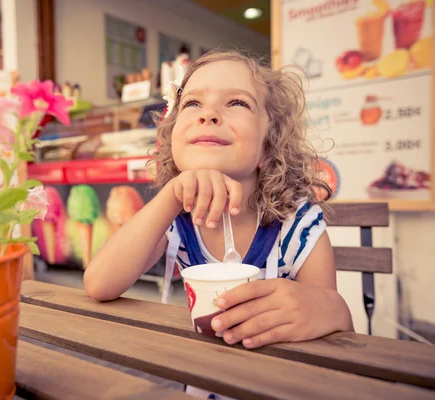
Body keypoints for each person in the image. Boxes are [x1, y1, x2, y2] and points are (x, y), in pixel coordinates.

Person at [84, 50, 354, 397]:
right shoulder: (175, 219)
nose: (208, 115)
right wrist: (170, 196)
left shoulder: (297, 224)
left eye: (237, 103)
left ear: (269, 142)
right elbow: (99, 284)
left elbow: (335, 332)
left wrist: (333, 309)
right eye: (192, 103)